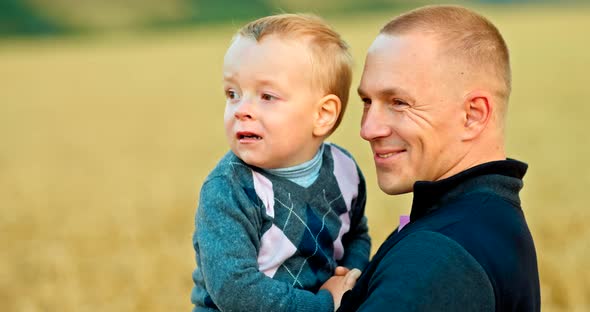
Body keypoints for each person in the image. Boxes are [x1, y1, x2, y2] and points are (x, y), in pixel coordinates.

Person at [332, 5, 540, 311]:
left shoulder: (437, 255)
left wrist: (333, 304)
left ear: (473, 115)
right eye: (367, 101)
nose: (368, 129)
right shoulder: (489, 220)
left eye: (399, 102)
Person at [190, 13, 370, 312]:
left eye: (267, 96)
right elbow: (234, 289)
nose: (242, 110)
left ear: (322, 114)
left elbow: (356, 235)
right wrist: (324, 305)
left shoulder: (344, 170)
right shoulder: (230, 189)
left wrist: (348, 279)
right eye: (232, 94)